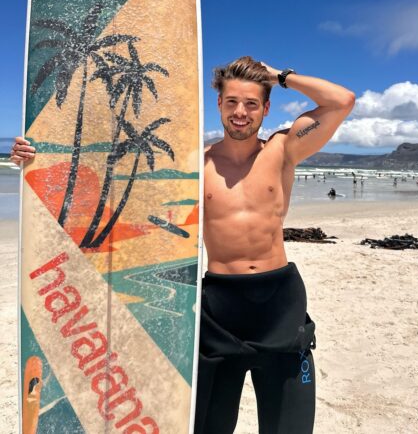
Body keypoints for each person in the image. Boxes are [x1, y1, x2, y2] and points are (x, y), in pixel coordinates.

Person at [11, 56, 355, 434]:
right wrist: (35, 155)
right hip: (219, 308)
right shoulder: (196, 164)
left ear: (266, 108)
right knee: (209, 427)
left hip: (280, 305)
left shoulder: (284, 149)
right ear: (219, 104)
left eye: (251, 103)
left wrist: (279, 76)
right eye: (232, 102)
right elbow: (102, 169)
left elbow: (342, 101)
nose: (241, 112)